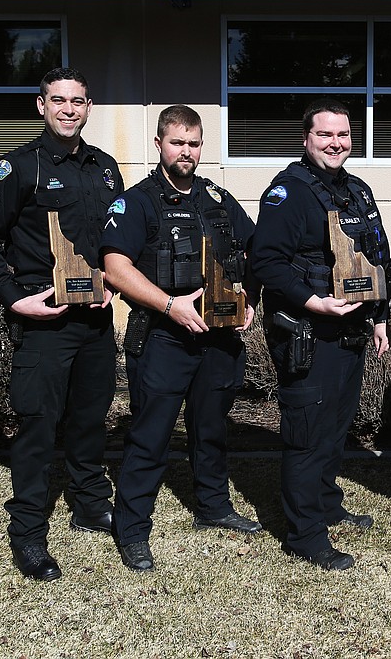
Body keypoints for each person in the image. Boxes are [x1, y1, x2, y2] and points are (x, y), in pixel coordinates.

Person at [0, 67, 123, 582]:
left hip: (96, 321)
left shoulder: (105, 169)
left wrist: (115, 284)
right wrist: (15, 300)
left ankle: (89, 503)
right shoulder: (17, 168)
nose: (68, 110)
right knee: (37, 427)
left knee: (88, 418)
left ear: (88, 106)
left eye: (77, 101)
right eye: (58, 100)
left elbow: (114, 245)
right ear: (41, 105)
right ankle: (29, 532)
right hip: (44, 323)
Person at [101, 105, 262, 572]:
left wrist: (248, 298)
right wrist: (172, 306)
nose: (186, 152)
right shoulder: (137, 202)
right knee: (150, 435)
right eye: (177, 143)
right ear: (159, 145)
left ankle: (213, 507)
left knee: (210, 428)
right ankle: (131, 529)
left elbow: (256, 248)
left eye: (193, 143)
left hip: (219, 337)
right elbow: (116, 267)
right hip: (164, 336)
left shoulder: (217, 198)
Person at [250, 98, 391, 571]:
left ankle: (327, 504)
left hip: (350, 331)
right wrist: (315, 302)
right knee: (307, 433)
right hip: (308, 331)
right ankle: (305, 534)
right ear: (306, 139)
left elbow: (377, 256)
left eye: (344, 135)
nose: (336, 143)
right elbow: (265, 262)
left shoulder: (357, 191)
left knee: (334, 427)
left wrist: (379, 316)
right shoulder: (287, 194)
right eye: (325, 134)